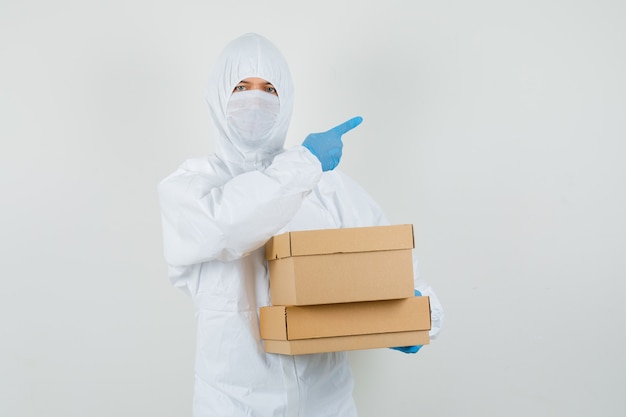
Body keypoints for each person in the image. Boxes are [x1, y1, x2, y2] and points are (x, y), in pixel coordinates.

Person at [158, 32, 444, 417]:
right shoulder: (191, 188)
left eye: (269, 89)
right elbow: (228, 226)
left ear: (286, 99)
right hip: (233, 406)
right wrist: (304, 165)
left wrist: (417, 316)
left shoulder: (328, 188)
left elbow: (395, 267)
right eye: (241, 86)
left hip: (326, 403)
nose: (255, 100)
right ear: (218, 96)